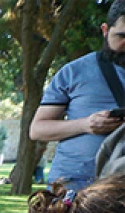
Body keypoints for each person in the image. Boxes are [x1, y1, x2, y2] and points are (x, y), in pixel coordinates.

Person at [30, 1, 125, 192]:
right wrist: (86, 124)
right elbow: (37, 130)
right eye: (122, 36)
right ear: (105, 30)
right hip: (74, 185)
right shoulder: (73, 71)